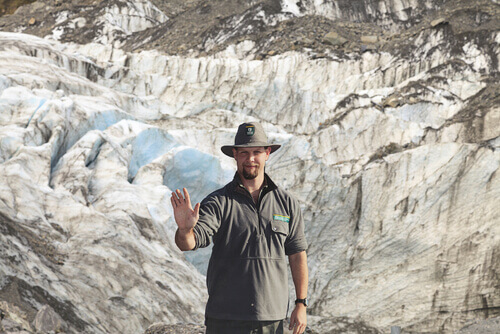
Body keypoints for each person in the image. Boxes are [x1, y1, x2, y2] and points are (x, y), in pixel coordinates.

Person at [170, 122, 308, 334]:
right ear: (235, 154)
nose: (250, 159)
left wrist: (301, 303)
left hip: (271, 320)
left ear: (267, 153)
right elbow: (189, 243)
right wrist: (185, 230)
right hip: (226, 319)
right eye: (244, 152)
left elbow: (297, 254)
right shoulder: (218, 202)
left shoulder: (287, 203)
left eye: (256, 152)